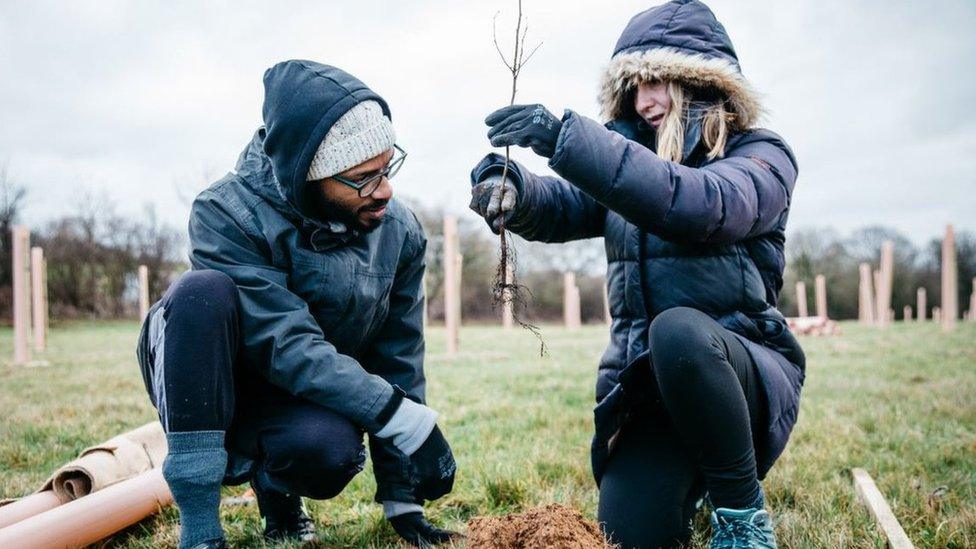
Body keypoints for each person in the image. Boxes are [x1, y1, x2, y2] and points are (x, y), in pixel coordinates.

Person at [468, 1, 804, 547]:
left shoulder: (760, 156)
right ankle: (686, 484)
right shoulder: (626, 161)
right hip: (649, 392)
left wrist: (567, 140)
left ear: (704, 84)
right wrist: (516, 190)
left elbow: (702, 205)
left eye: (659, 82)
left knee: (676, 330)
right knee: (629, 534)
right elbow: (566, 202)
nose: (644, 101)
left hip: (738, 378)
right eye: (634, 87)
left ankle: (742, 514)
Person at [137, 60, 458, 549]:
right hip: (215, 381)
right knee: (201, 292)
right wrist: (401, 417)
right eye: (363, 178)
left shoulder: (399, 232)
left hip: (299, 393)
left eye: (388, 167)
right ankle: (200, 528)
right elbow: (283, 343)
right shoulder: (225, 213)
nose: (385, 190)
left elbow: (398, 354)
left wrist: (401, 493)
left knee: (328, 452)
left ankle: (277, 492)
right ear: (307, 176)